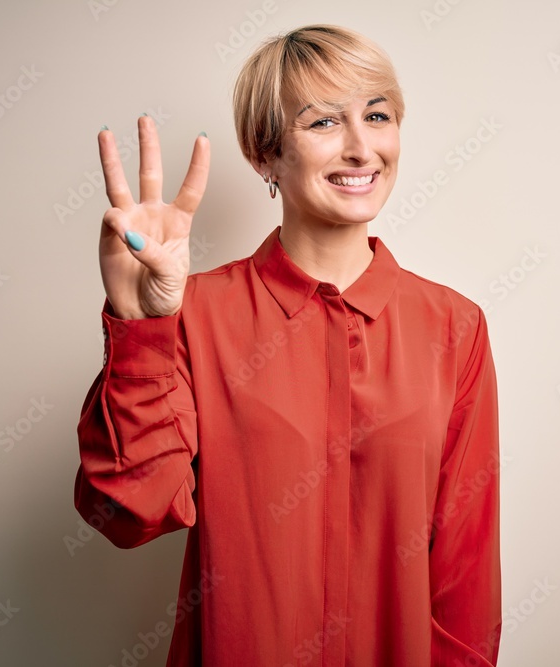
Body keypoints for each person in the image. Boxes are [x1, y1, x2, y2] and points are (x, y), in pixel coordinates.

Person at [74, 24, 502, 666]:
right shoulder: (194, 315)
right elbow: (128, 513)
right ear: (264, 155)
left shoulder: (455, 327)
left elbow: (465, 580)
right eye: (324, 122)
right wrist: (142, 325)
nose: (361, 148)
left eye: (377, 115)